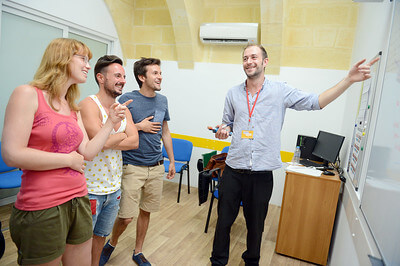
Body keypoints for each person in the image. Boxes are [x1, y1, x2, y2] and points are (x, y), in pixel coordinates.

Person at [210, 44, 379, 266]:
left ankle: (251, 261)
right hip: (233, 169)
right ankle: (217, 261)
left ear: (265, 62)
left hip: (261, 174)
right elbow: (229, 123)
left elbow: (316, 102)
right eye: (245, 58)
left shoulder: (280, 91)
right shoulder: (233, 93)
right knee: (223, 222)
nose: (248, 61)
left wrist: (348, 80)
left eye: (253, 57)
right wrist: (224, 129)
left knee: (256, 225)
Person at [1, 38, 129, 266]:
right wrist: (67, 160)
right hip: (42, 205)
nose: (88, 66)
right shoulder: (28, 94)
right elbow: (12, 154)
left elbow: (88, 151)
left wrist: (110, 122)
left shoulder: (72, 106)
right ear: (61, 59)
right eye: (83, 59)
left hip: (79, 199)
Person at [100, 57, 176, 266]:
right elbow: (117, 129)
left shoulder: (163, 101)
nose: (160, 76)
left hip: (157, 166)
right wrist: (139, 127)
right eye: (155, 73)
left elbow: (165, 132)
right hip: (133, 166)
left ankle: (138, 251)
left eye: (160, 73)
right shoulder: (127, 98)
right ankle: (111, 243)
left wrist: (170, 160)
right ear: (142, 77)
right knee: (125, 217)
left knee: (146, 211)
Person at [79, 55, 139, 266]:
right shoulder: (88, 104)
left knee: (100, 236)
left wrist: (111, 139)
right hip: (90, 188)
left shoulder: (123, 108)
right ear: (101, 78)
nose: (122, 80)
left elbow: (134, 142)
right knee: (82, 240)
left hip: (114, 188)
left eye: (123, 76)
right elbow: (98, 142)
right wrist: (122, 135)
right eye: (117, 75)